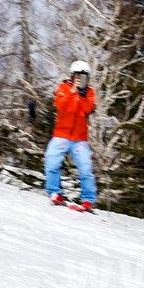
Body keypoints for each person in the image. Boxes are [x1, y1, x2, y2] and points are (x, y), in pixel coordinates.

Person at [45, 61, 97, 211]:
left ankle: (88, 200)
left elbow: (89, 108)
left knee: (86, 169)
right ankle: (55, 193)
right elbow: (60, 104)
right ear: (72, 75)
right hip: (61, 135)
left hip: (80, 139)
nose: (80, 78)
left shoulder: (89, 92)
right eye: (78, 75)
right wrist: (72, 91)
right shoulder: (63, 88)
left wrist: (82, 94)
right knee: (51, 164)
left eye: (84, 76)